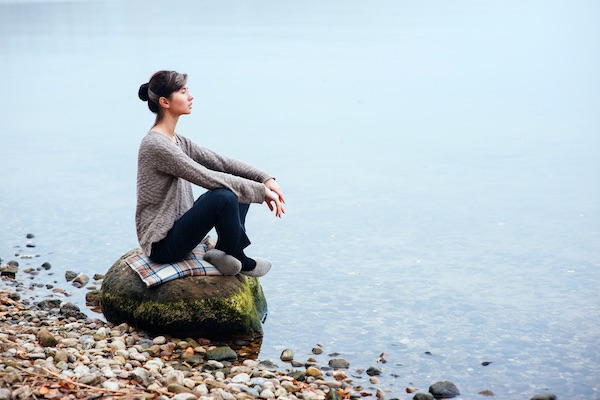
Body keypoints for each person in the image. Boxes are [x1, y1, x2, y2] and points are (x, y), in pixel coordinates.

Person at [136, 70, 284, 277]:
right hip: (162, 246)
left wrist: (264, 178)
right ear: (165, 102)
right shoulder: (156, 145)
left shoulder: (176, 140)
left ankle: (224, 251)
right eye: (183, 92)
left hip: (180, 230)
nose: (191, 96)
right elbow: (206, 176)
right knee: (224, 195)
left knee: (240, 183)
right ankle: (239, 258)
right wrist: (260, 191)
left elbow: (219, 162)